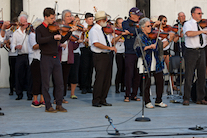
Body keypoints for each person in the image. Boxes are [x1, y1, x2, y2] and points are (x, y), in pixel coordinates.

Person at [36, 7, 77, 113]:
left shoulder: (54, 28)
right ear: (45, 17)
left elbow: (62, 39)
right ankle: (48, 106)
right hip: (46, 57)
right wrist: (52, 38)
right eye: (51, 18)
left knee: (60, 83)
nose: (53, 20)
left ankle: (59, 104)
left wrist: (69, 33)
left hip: (55, 58)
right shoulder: (39, 28)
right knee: (45, 83)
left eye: (54, 18)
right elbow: (39, 40)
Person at [134, 17, 167, 108]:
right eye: (148, 26)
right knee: (146, 82)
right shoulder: (140, 37)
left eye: (151, 26)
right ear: (142, 28)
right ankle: (147, 101)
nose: (150, 27)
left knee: (160, 80)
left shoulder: (154, 35)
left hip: (156, 60)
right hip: (146, 60)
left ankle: (158, 100)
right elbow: (137, 49)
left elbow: (160, 46)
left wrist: (168, 39)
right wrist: (148, 47)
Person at [89, 11, 117, 107]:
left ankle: (103, 99)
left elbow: (110, 41)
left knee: (107, 78)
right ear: (100, 21)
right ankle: (96, 100)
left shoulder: (103, 30)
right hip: (99, 56)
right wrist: (110, 48)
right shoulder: (94, 30)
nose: (106, 21)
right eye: (105, 20)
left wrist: (120, 35)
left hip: (106, 55)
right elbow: (96, 43)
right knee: (100, 78)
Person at [182, 6, 207, 105]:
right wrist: (202, 31)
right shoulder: (188, 24)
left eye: (201, 14)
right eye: (199, 13)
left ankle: (200, 98)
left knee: (201, 75)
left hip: (202, 50)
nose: (201, 15)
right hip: (191, 51)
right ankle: (186, 98)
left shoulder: (204, 24)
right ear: (193, 14)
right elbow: (188, 34)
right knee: (189, 75)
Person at [122, 7, 143, 102]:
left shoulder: (139, 24)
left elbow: (140, 31)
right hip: (129, 51)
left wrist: (135, 31)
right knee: (129, 74)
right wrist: (137, 30)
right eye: (137, 15)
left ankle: (134, 94)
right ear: (132, 15)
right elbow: (132, 31)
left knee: (137, 74)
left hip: (139, 51)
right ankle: (127, 94)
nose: (139, 17)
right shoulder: (125, 23)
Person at [10, 14, 33, 100]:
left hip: (29, 55)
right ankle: (19, 93)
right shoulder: (16, 33)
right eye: (23, 22)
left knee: (29, 75)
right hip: (20, 55)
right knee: (19, 75)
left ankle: (30, 94)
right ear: (20, 23)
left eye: (26, 22)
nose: (25, 24)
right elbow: (12, 44)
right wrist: (16, 47)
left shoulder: (30, 31)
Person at [156, 15, 178, 91]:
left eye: (166, 21)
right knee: (159, 70)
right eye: (163, 21)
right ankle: (159, 86)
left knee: (170, 69)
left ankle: (172, 85)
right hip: (159, 52)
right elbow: (159, 42)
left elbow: (174, 40)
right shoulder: (156, 30)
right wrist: (166, 37)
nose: (165, 23)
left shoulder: (168, 30)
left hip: (167, 52)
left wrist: (177, 34)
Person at [28, 18, 45, 108]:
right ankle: (35, 99)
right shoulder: (32, 35)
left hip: (42, 58)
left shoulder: (41, 35)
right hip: (35, 59)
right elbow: (34, 46)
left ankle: (42, 99)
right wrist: (45, 42)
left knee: (43, 80)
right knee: (36, 80)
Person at [0, 18, 18, 96]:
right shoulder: (8, 32)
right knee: (12, 72)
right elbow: (4, 41)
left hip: (19, 54)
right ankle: (11, 88)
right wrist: (7, 44)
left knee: (19, 73)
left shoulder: (19, 32)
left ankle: (18, 88)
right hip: (11, 54)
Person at [68, 15, 83, 99]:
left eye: (78, 21)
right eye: (74, 21)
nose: (77, 22)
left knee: (75, 73)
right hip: (67, 52)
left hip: (76, 52)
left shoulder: (79, 31)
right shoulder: (68, 29)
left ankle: (72, 93)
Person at [79, 12, 94, 94]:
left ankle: (89, 85)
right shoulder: (83, 26)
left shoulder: (93, 27)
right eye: (90, 19)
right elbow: (80, 36)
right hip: (84, 48)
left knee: (91, 68)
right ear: (85, 20)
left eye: (92, 19)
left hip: (91, 48)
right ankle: (83, 86)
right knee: (85, 67)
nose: (91, 21)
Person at [114, 17, 126, 93]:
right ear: (117, 24)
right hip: (118, 51)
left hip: (125, 51)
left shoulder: (125, 31)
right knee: (120, 69)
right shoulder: (115, 31)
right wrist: (119, 37)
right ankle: (117, 87)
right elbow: (114, 40)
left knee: (125, 70)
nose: (122, 24)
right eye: (120, 23)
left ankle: (123, 86)